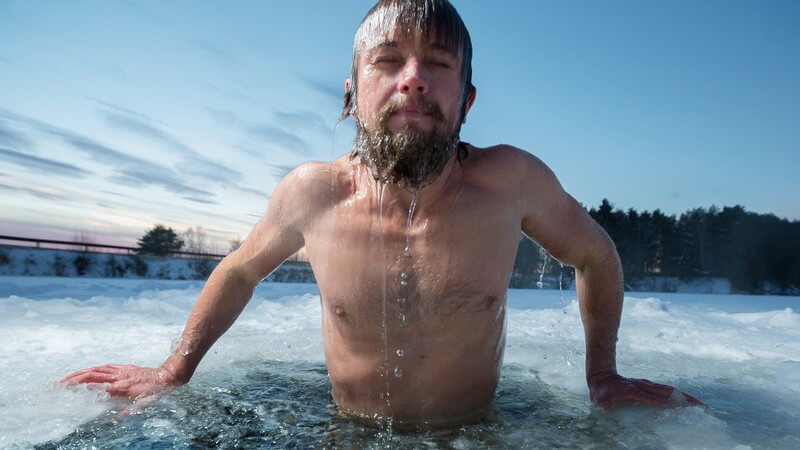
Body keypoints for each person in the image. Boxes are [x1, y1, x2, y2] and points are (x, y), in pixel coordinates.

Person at [61, 0, 703, 428]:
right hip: (349, 434)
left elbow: (595, 254)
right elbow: (238, 270)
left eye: (439, 65)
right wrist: (175, 369)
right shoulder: (313, 194)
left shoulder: (511, 182)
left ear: (468, 99)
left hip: (476, 436)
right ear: (353, 92)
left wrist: (603, 375)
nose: (414, 79)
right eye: (388, 61)